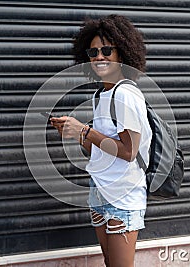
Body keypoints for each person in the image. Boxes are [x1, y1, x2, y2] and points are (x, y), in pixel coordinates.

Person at [50, 14, 152, 267]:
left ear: (123, 53)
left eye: (107, 50)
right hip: (100, 191)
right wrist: (76, 134)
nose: (99, 57)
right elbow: (104, 147)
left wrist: (85, 130)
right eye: (93, 52)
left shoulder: (126, 94)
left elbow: (129, 151)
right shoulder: (102, 94)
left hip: (123, 196)